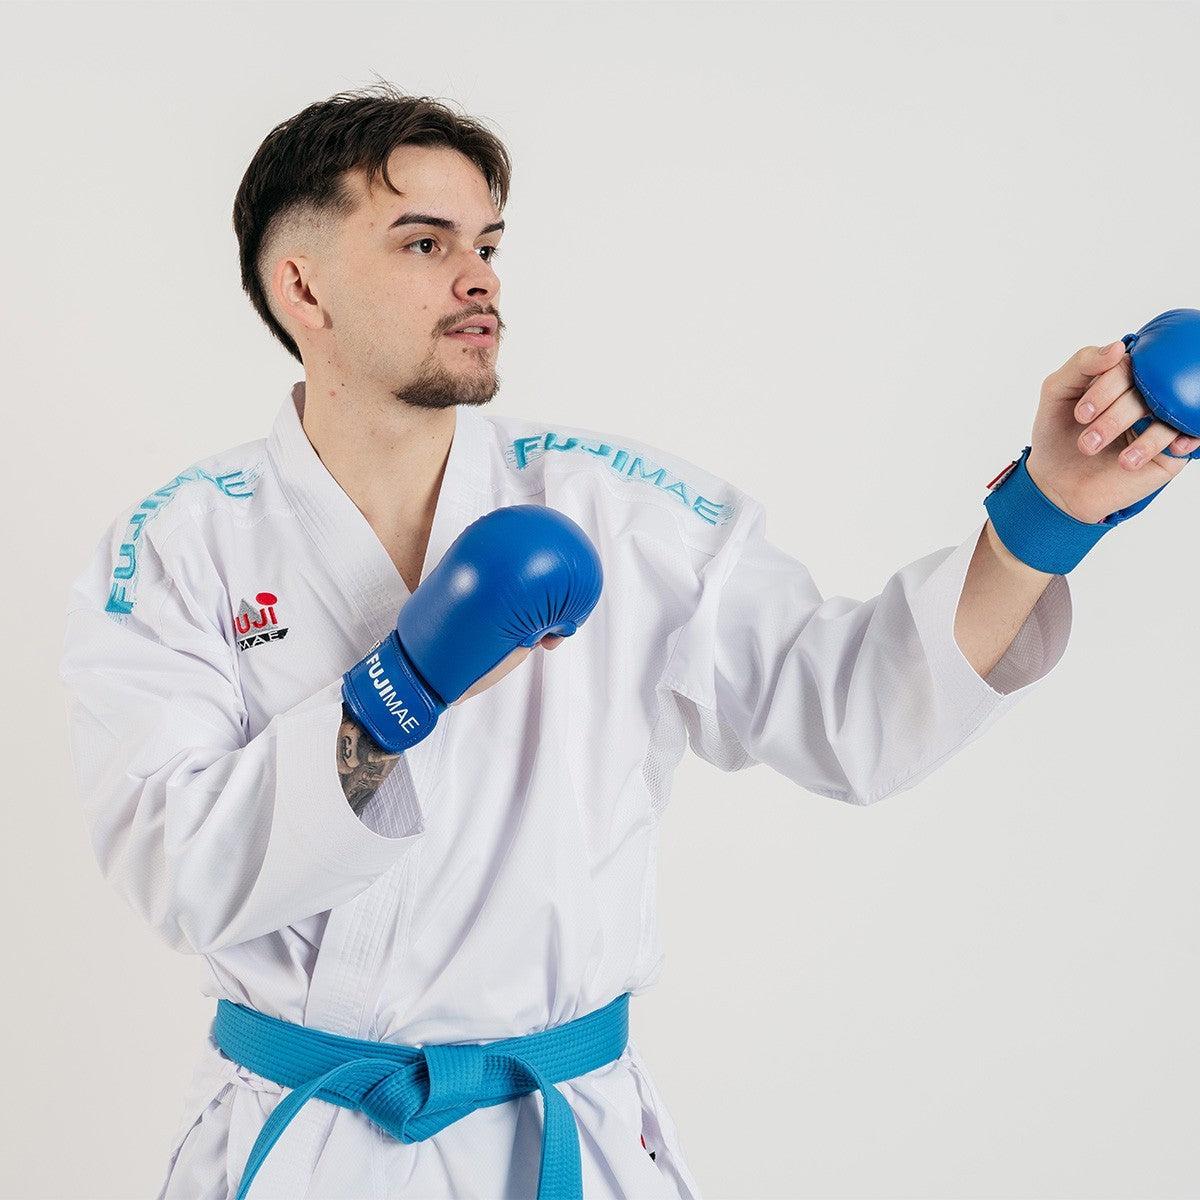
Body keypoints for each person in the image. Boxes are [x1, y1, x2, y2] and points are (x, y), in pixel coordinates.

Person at [57, 83, 1197, 1200]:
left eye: (488, 244)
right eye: (424, 243)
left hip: (560, 1138)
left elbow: (858, 713)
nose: (479, 278)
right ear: (301, 285)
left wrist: (1050, 509)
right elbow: (174, 868)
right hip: (300, 1142)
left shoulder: (623, 512)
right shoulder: (176, 546)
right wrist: (402, 688)